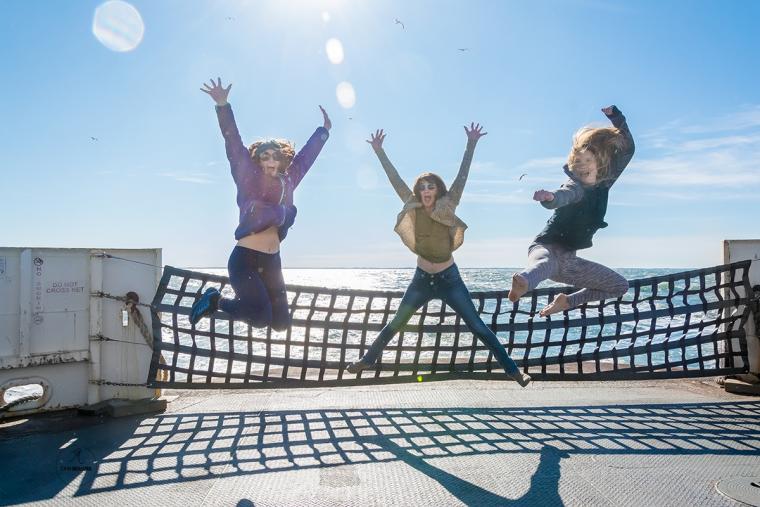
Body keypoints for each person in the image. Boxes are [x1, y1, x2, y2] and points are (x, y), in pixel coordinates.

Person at [347, 125, 531, 387]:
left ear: (437, 189)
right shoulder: (411, 204)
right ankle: (368, 359)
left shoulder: (449, 204)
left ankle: (514, 371)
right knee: (396, 323)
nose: (425, 190)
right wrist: (379, 151)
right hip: (421, 279)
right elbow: (395, 179)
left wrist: (471, 144)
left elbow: (462, 177)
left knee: (478, 326)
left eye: (430, 186)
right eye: (422, 186)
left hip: (449, 279)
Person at [190, 78, 331, 330]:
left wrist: (323, 132)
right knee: (260, 319)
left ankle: (220, 301)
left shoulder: (289, 180)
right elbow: (232, 141)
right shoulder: (247, 178)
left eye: (274, 156)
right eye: (264, 156)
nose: (269, 161)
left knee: (281, 324)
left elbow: (306, 158)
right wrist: (223, 105)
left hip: (272, 261)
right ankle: (216, 300)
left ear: (281, 160)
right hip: (245, 259)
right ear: (257, 160)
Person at [507, 105, 635, 316]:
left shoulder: (604, 183)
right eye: (578, 161)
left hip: (569, 262)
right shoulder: (576, 186)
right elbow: (563, 195)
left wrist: (617, 118)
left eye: (587, 161)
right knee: (544, 263)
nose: (582, 165)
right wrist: (550, 198)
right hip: (544, 246)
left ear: (600, 163)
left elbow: (628, 150)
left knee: (620, 286)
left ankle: (567, 302)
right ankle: (523, 282)